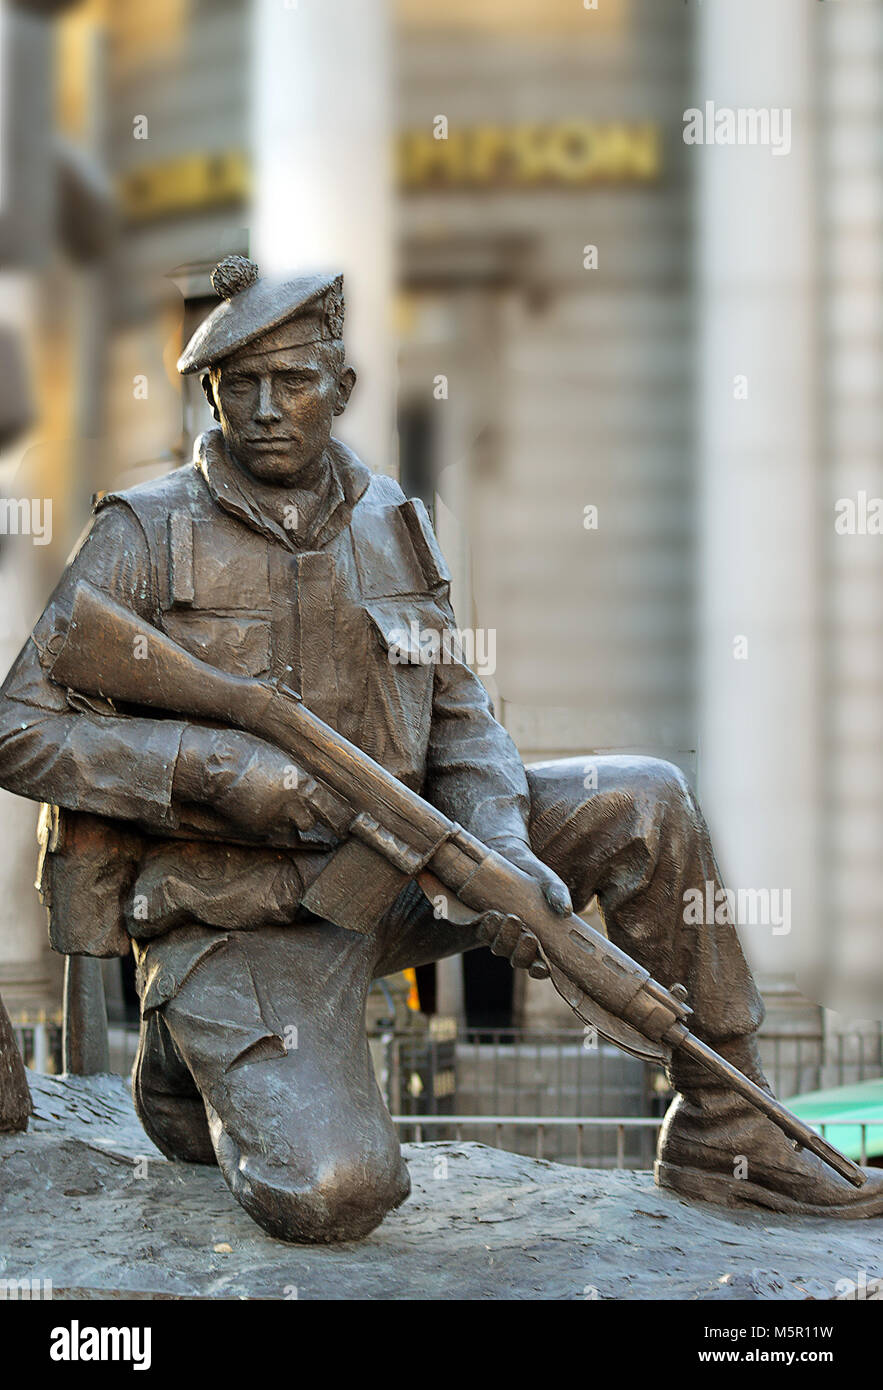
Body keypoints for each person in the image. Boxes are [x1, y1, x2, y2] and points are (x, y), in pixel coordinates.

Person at [0, 256, 879, 1242]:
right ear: (208, 394)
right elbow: (19, 730)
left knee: (646, 799)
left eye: (290, 381)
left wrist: (503, 846)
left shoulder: (390, 522)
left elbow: (461, 719)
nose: (260, 410)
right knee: (336, 1194)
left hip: (398, 865)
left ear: (343, 387)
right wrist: (211, 772)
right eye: (234, 386)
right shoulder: (143, 532)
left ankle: (729, 1129)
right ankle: (187, 1064)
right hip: (241, 919)